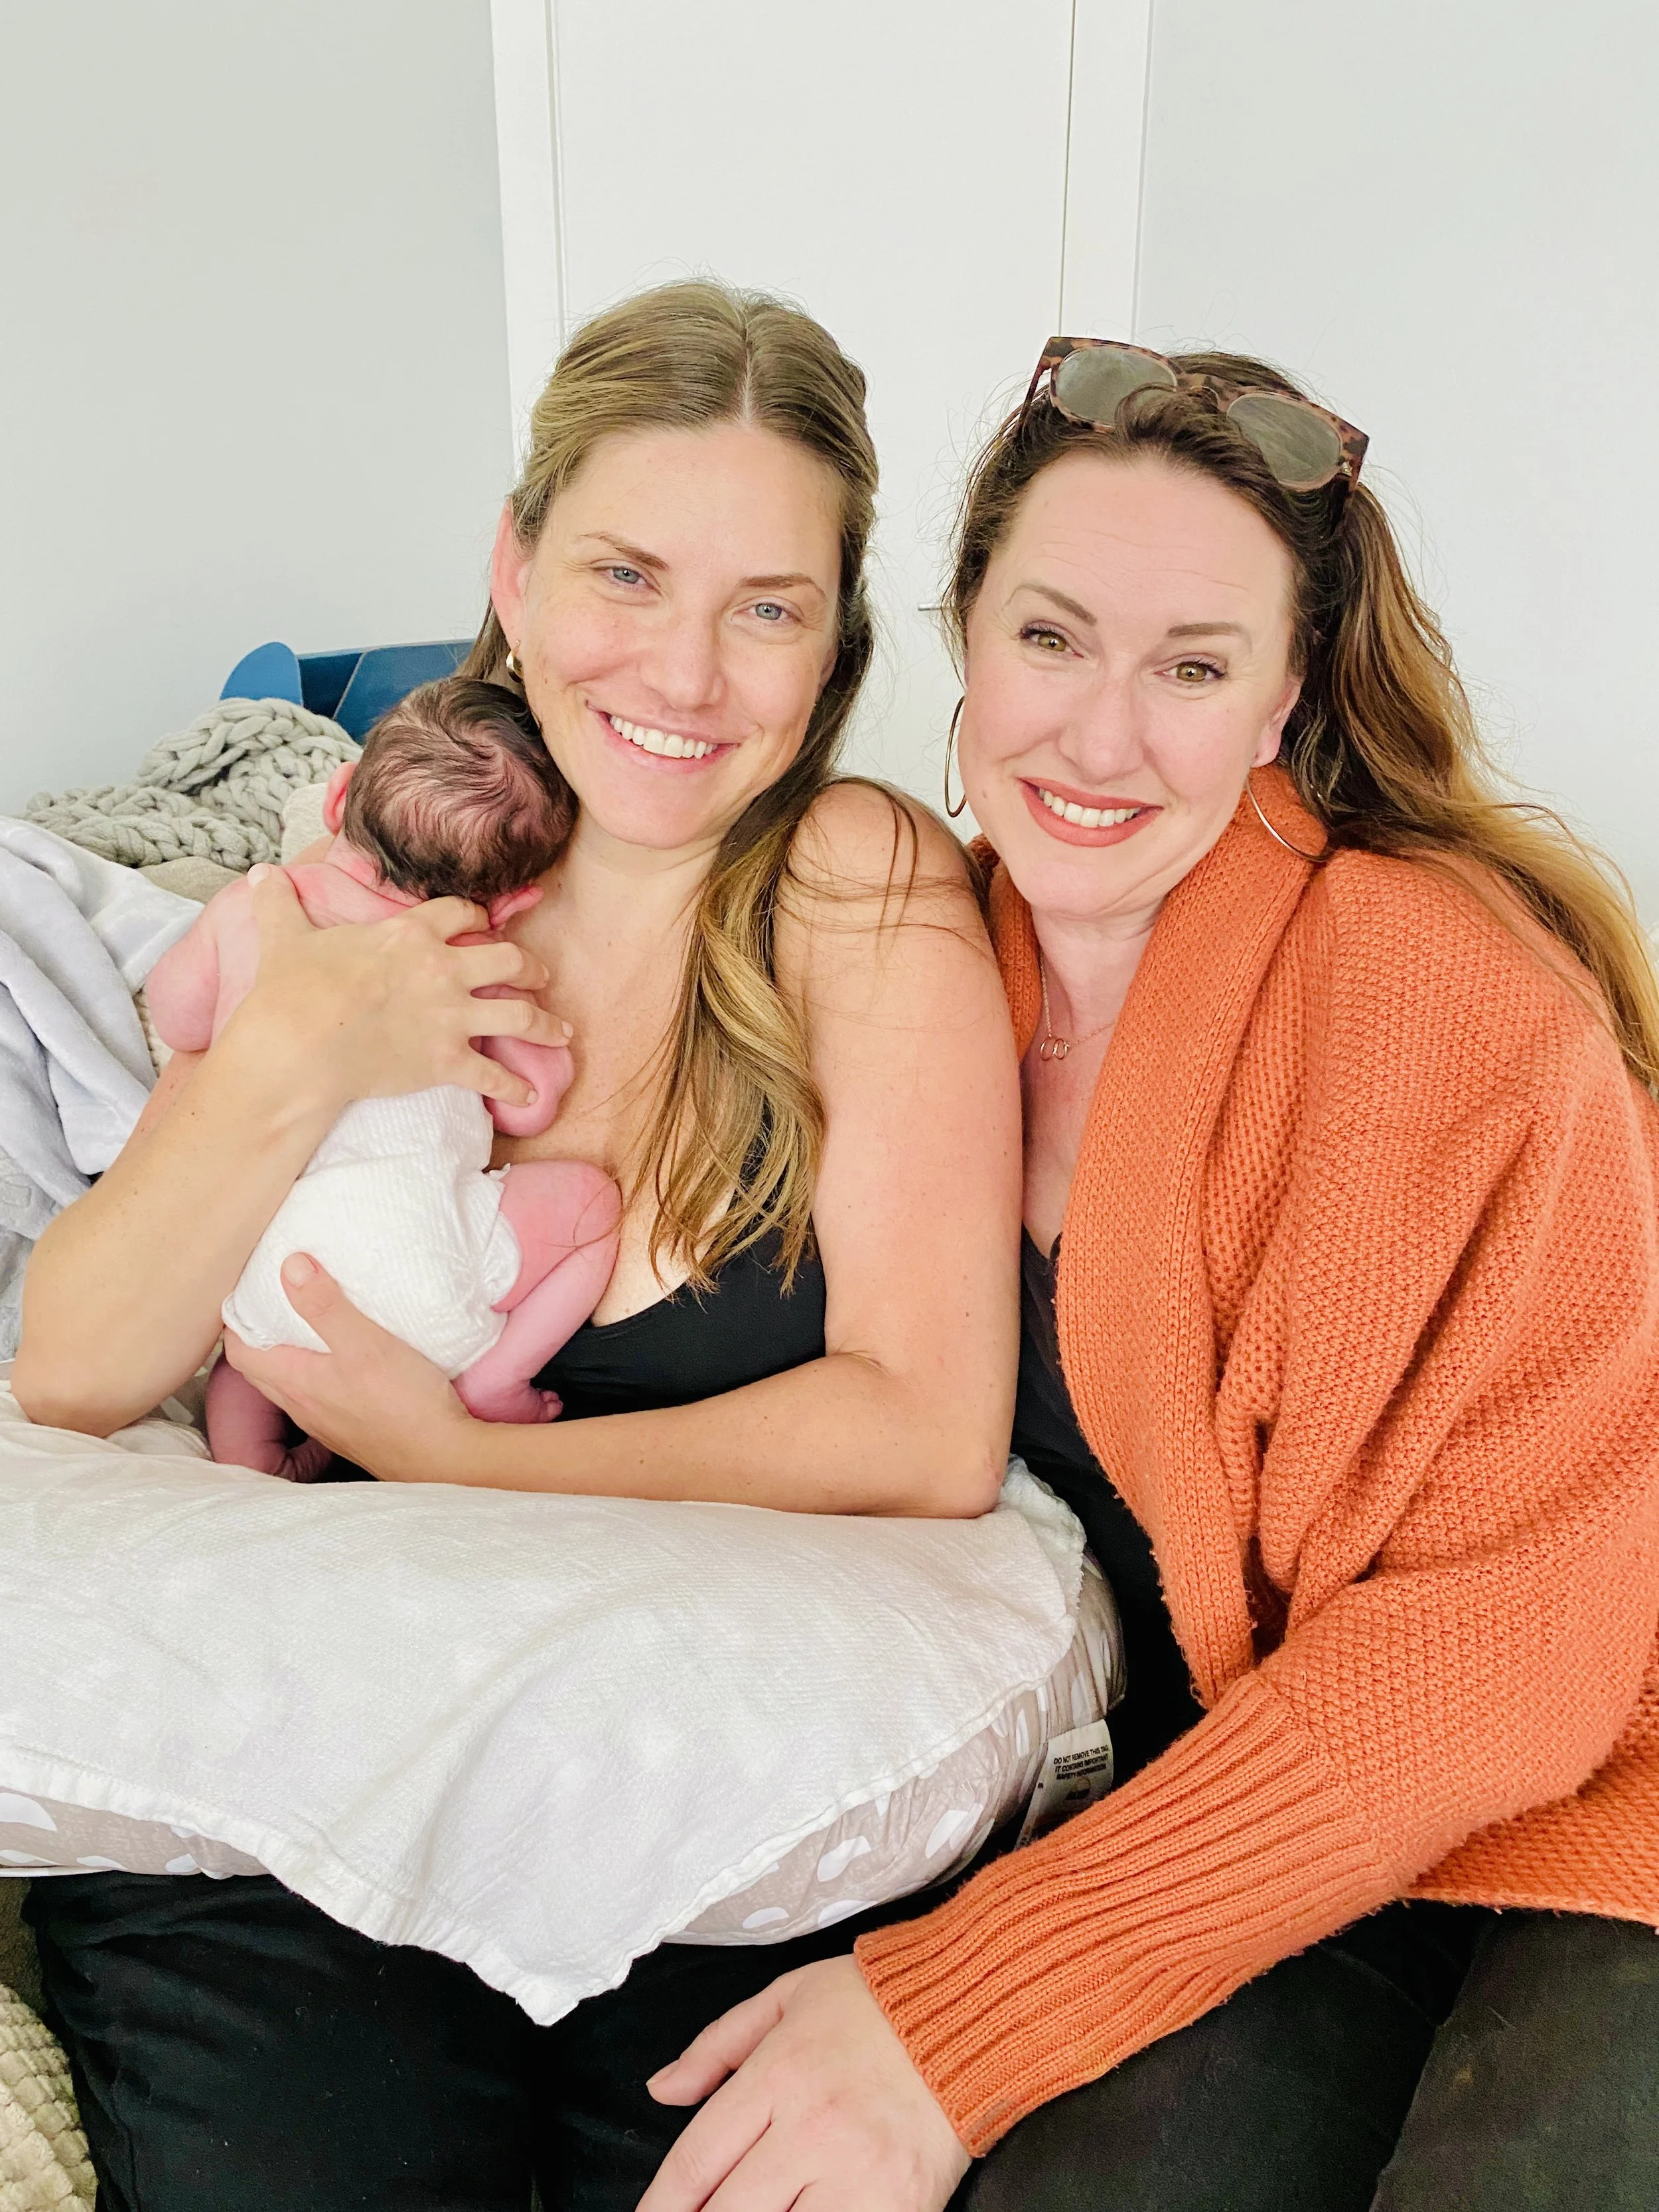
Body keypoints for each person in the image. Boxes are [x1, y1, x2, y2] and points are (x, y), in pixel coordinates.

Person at [13, 281, 1021, 2211]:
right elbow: (75, 1366)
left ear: (838, 639)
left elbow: (920, 1425)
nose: (687, 674)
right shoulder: (393, 858)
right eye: (626, 574)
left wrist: (465, 1452)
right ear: (512, 558)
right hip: (291, 1819)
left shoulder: (849, 884)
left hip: (696, 1807)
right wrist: (306, 1043)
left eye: (765, 608)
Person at [633, 340, 1659, 2211]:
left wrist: (963, 2008)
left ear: (1279, 698)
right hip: (1266, 1814)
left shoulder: (1445, 1002)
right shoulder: (914, 958)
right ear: (962, 635)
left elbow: (1509, 1653)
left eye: (1188, 667)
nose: (1097, 739)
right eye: (1050, 639)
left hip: (1594, 1785)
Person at [147, 675, 622, 1481]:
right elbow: (534, 1105)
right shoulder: (468, 963)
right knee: (591, 1211)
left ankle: (248, 1461)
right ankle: (497, 1377)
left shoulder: (259, 902)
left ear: (334, 801)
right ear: (508, 902)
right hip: (425, 1274)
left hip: (266, 1286)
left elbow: (177, 1018)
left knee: (242, 1358)